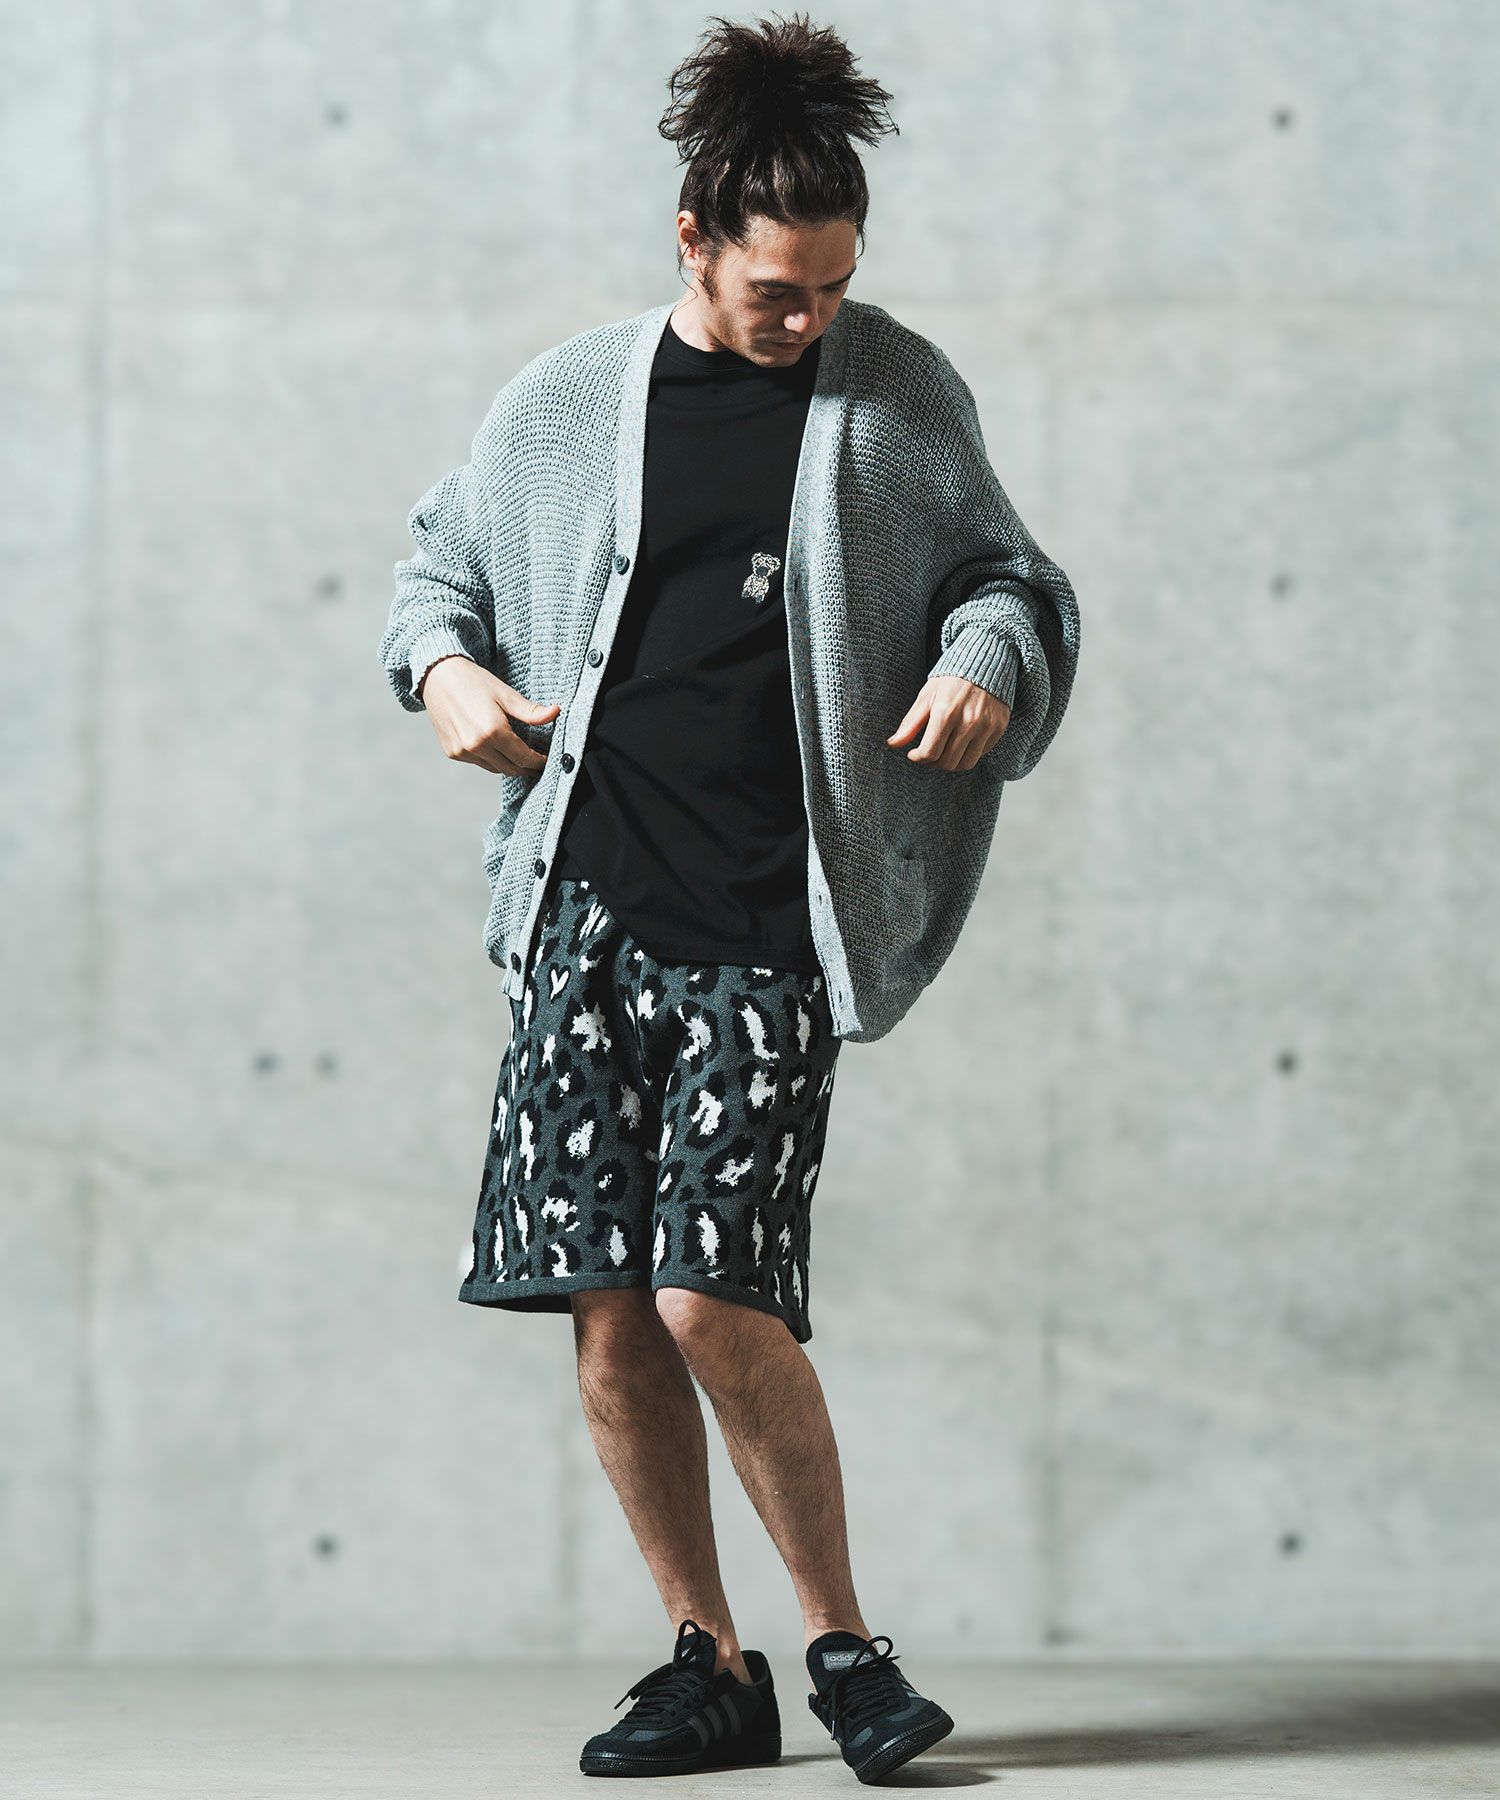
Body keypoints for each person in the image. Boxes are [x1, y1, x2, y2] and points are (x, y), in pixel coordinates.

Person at [378, 11, 1080, 1785]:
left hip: (770, 917)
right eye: (779, 288)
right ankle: (710, 1663)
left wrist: (988, 657)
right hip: (587, 913)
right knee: (608, 1301)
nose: (809, 318)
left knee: (714, 1292)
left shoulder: (893, 394)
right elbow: (436, 570)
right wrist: (445, 671)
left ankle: (844, 1650)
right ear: (693, 238)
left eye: (836, 285)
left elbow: (1011, 577)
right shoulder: (568, 400)